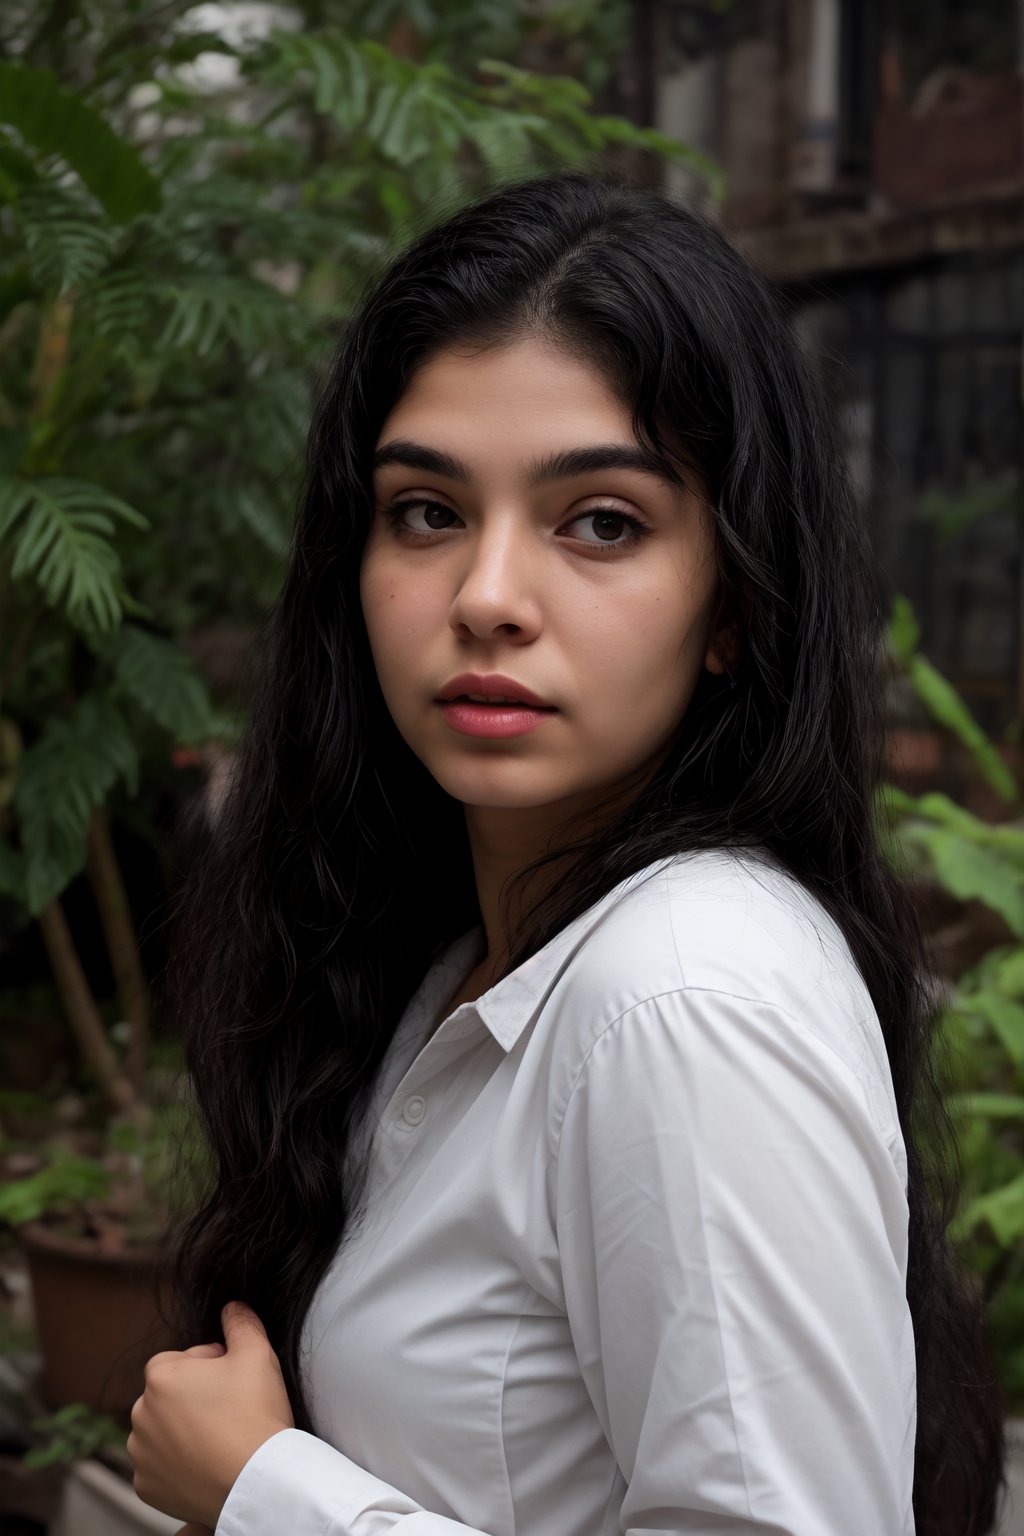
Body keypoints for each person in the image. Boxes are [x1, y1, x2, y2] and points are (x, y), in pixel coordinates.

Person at [127, 170, 1004, 1536]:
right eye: (426, 511)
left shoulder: (683, 993)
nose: (485, 597)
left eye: (601, 522)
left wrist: (266, 1494)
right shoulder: (468, 959)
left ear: (734, 602)